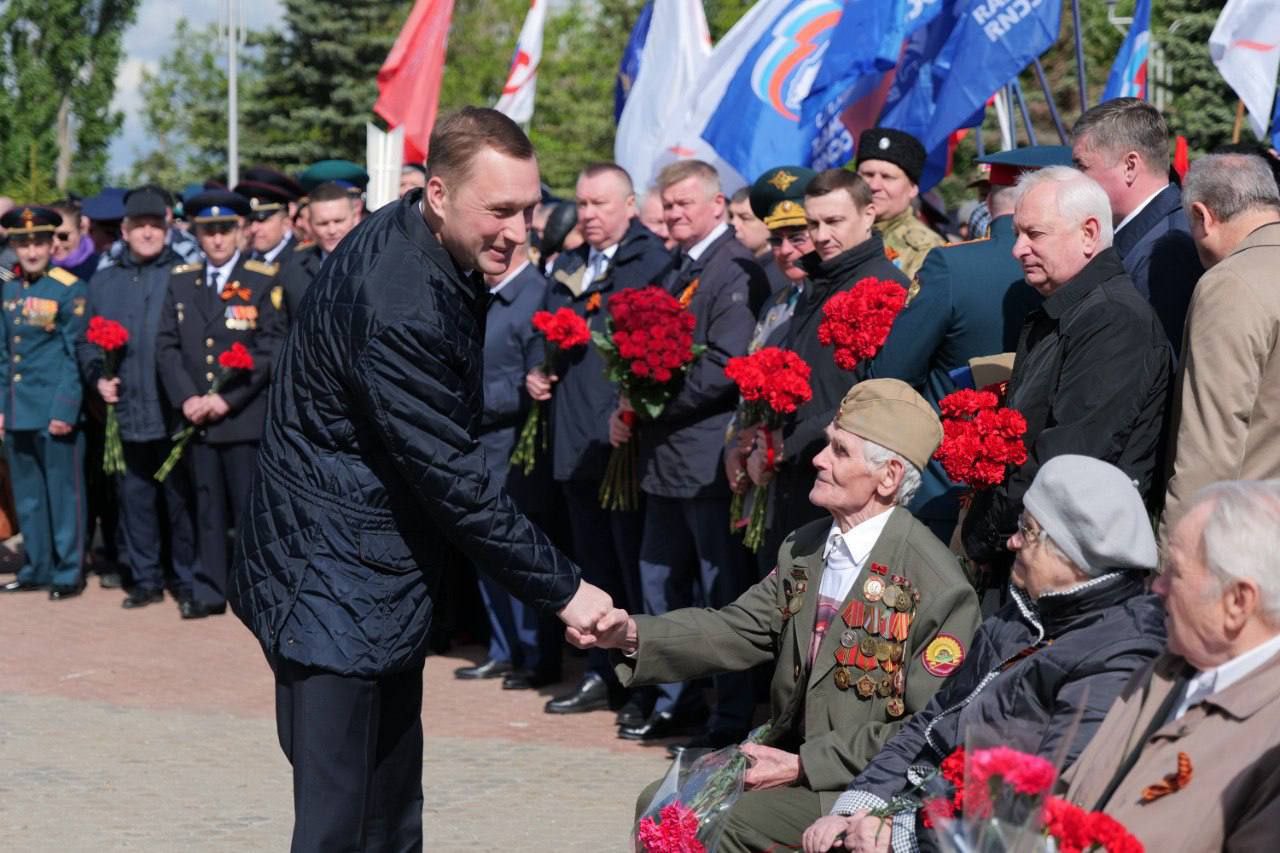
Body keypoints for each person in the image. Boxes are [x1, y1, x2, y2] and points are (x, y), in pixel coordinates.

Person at [228, 107, 615, 851]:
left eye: (529, 209)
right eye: (499, 209)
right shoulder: (398, 298)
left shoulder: (420, 236)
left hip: (367, 579)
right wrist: (568, 589)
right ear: (437, 192)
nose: (518, 229)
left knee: (392, 814)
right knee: (340, 824)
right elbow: (456, 482)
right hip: (331, 585)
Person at [593, 380, 980, 852]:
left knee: (709, 823)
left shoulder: (937, 586)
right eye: (826, 444)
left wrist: (802, 765)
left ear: (889, 477)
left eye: (839, 450)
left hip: (862, 788)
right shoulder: (807, 545)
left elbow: (928, 727)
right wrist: (631, 634)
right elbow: (736, 628)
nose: (818, 459)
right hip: (790, 758)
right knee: (660, 803)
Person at [803, 455, 1166, 853]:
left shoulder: (1118, 657)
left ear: (1070, 554)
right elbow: (932, 721)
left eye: (1026, 531)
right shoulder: (1026, 612)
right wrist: (860, 805)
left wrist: (899, 835)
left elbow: (1041, 798)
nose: (1011, 541)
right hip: (919, 807)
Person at [609, 159, 766, 748]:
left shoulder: (734, 267)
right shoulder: (683, 265)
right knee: (658, 584)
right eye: (667, 205)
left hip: (705, 460)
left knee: (716, 594)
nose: (673, 213)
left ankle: (725, 716)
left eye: (683, 204)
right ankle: (672, 700)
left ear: (716, 205)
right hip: (667, 461)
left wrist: (648, 404)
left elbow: (724, 367)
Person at [961, 167, 1172, 589]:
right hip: (1034, 552)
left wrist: (985, 536)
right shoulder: (1065, 309)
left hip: (1072, 566)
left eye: (1034, 234)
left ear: (1089, 233)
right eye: (1018, 233)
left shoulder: (1112, 319)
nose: (1018, 249)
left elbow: (1066, 458)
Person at [863, 146, 1071, 542]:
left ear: (990, 199)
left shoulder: (953, 265)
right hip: (1046, 487)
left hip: (950, 486)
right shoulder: (1087, 264)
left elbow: (893, 373)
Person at [1062, 480, 1280, 851]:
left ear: (1238, 603)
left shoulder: (1269, 741)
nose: (1156, 588)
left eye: (1174, 573)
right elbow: (1073, 796)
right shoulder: (1167, 671)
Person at [530, 163, 671, 719]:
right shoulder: (567, 263)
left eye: (600, 205)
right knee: (588, 567)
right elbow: (540, 327)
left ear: (630, 206)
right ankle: (598, 675)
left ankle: (642, 685)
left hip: (622, 441)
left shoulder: (651, 261)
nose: (587, 215)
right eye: (582, 205)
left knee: (632, 569)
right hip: (572, 436)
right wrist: (534, 370)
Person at [752, 169, 909, 571]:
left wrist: (793, 442)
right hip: (797, 472)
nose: (821, 236)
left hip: (843, 478)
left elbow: (871, 393)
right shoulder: (818, 282)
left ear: (869, 213)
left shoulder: (883, 286)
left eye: (834, 222)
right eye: (813, 224)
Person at [155, 190, 286, 620]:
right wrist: (188, 398)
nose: (216, 240)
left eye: (225, 230)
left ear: (241, 231)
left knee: (250, 510)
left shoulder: (262, 279)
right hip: (197, 419)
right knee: (207, 507)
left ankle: (256, 590)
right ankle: (209, 588)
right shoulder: (181, 280)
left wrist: (224, 400)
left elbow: (269, 349)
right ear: (196, 233)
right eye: (208, 231)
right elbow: (167, 345)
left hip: (241, 417)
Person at [77, 186, 202, 611]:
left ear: (166, 229)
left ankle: (183, 578)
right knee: (135, 499)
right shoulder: (105, 281)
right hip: (127, 407)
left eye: (155, 225)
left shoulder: (188, 274)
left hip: (174, 409)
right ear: (126, 231)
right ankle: (145, 578)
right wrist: (98, 379)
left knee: (179, 501)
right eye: (140, 226)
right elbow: (87, 343)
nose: (148, 233)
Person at [460, 245, 564, 690]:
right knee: (487, 553)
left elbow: (535, 380)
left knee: (520, 554)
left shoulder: (535, 295)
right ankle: (503, 649)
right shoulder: (482, 291)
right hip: (481, 446)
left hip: (515, 449)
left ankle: (535, 654)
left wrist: (466, 397)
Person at [1163, 154, 1280, 530]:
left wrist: (1177, 565)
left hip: (1249, 545)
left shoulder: (1229, 284)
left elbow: (1209, 451)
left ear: (1202, 216)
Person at [725, 165, 816, 576]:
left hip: (802, 470)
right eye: (777, 239)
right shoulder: (776, 301)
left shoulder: (824, 300)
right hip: (759, 473)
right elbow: (747, 389)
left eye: (797, 237)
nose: (785, 250)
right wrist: (735, 447)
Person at [0, 206, 89, 599]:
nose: (31, 250)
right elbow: (4, 353)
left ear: (53, 243)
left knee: (63, 495)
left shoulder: (69, 288)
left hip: (54, 411)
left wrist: (65, 410)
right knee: (29, 496)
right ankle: (37, 565)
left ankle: (68, 571)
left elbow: (75, 356)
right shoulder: (8, 287)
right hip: (18, 410)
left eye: (38, 241)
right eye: (23, 242)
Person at [1071, 97, 1203, 354]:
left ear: (1130, 166)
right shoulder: (1158, 232)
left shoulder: (1168, 248)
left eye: (1082, 166)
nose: (1075, 179)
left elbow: (1163, 366)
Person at [855, 128, 944, 277]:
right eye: (868, 175)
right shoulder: (836, 234)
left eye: (887, 177)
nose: (874, 186)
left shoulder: (927, 250)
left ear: (913, 189)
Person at [277, 181, 359, 319]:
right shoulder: (292, 267)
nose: (332, 230)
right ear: (309, 225)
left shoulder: (377, 263)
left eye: (338, 221)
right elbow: (278, 328)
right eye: (322, 223)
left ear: (355, 218)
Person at [234, 166, 306, 264]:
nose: (253, 229)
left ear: (285, 222)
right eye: (250, 221)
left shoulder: (304, 262)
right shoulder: (240, 262)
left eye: (262, 220)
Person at [729, 185, 788, 295]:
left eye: (745, 218)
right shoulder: (726, 263)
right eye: (731, 216)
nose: (734, 225)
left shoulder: (784, 272)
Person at [49, 199, 99, 281]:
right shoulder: (36, 267)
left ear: (81, 230)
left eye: (63, 236)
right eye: (49, 235)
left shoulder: (99, 268)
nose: (55, 243)